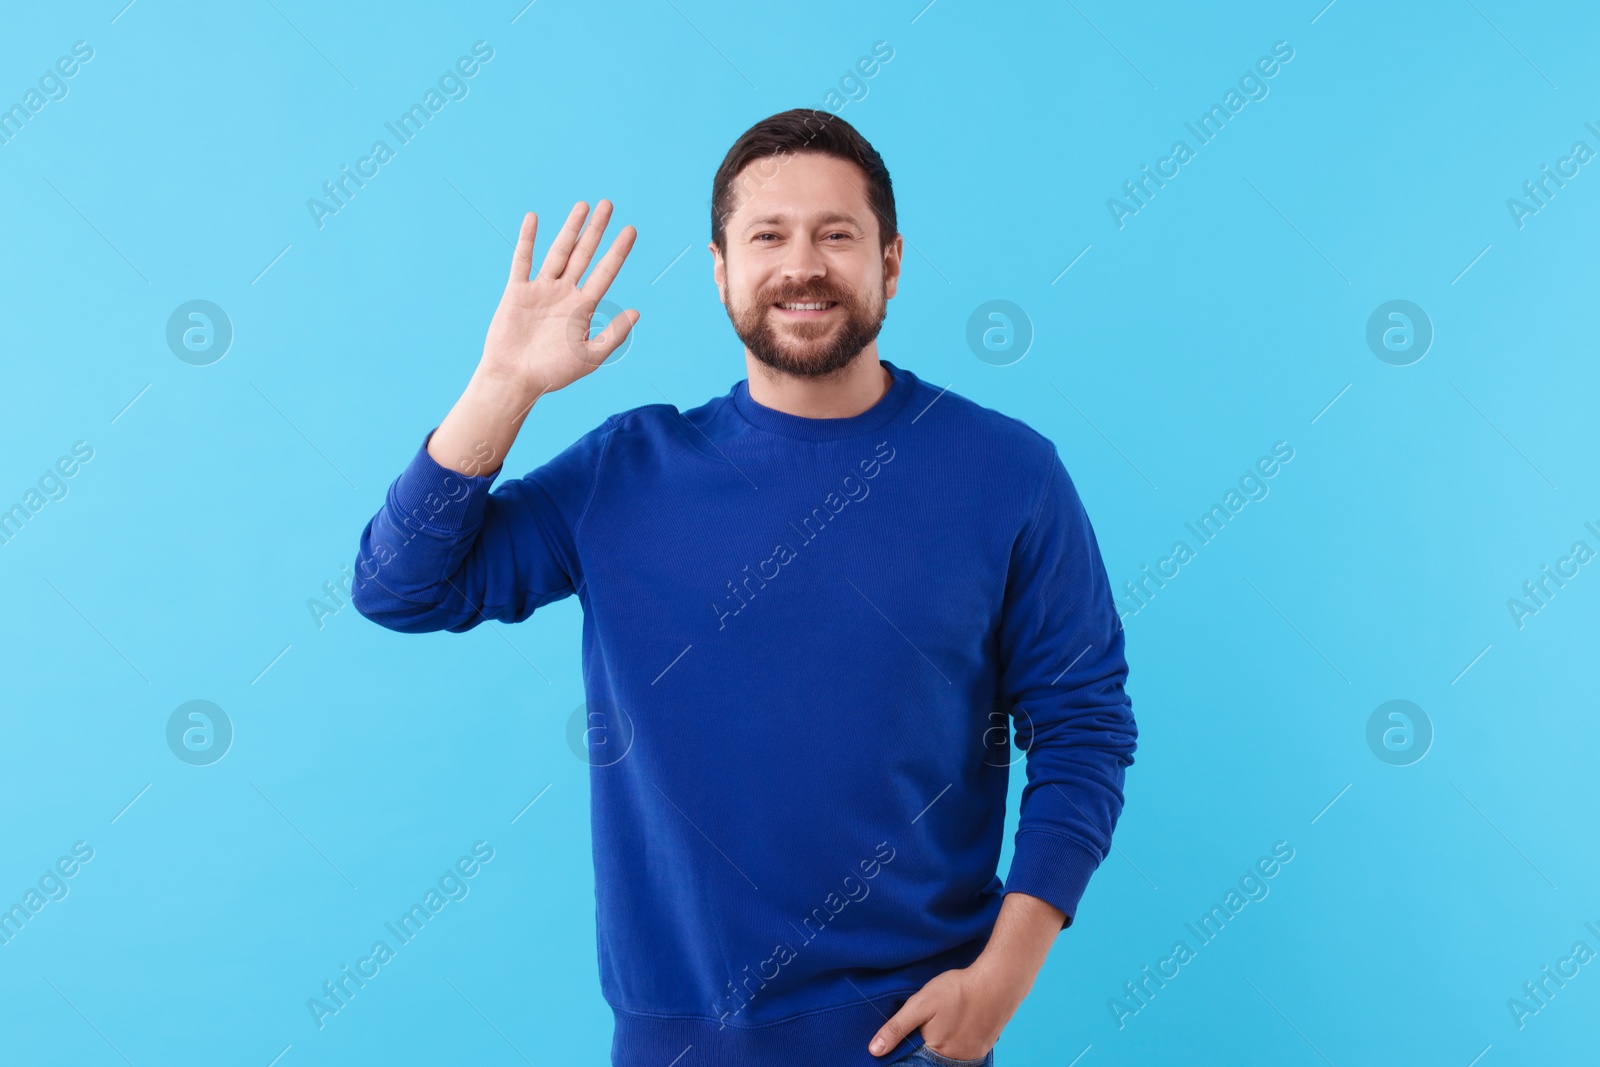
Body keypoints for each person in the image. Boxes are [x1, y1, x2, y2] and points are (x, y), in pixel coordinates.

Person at [350, 108, 1136, 1067]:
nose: (802, 264)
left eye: (836, 235)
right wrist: (504, 383)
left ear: (890, 263)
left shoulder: (1006, 472)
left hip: (913, 1041)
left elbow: (1084, 724)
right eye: (768, 236)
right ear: (720, 269)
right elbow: (401, 587)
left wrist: (1000, 985)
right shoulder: (626, 473)